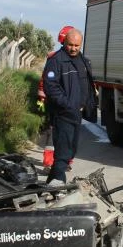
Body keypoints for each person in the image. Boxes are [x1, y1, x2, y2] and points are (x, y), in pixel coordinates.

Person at [42, 28, 96, 185]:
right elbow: (50, 87)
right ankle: (58, 186)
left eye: (76, 45)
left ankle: (50, 184)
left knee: (70, 150)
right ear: (64, 42)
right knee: (63, 153)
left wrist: (86, 104)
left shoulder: (83, 61)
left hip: (76, 114)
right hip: (63, 113)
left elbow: (86, 84)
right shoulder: (56, 61)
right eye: (70, 44)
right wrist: (68, 104)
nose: (73, 48)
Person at [37, 26, 73, 168]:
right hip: (58, 101)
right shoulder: (55, 58)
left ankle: (62, 160)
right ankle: (51, 160)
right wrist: (42, 96)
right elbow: (45, 79)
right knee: (55, 130)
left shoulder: (77, 60)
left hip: (66, 102)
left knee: (63, 131)